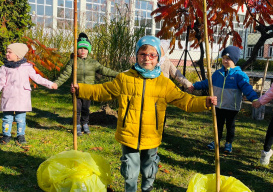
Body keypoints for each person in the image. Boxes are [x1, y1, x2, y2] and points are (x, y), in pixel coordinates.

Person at [71, 35, 217, 192]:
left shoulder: (164, 83)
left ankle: (147, 189)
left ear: (158, 58)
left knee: (149, 169)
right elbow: (103, 90)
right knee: (130, 170)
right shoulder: (124, 78)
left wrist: (205, 102)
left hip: (152, 135)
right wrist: (81, 89)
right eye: (143, 54)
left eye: (152, 55)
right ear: (136, 55)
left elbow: (185, 100)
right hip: (128, 133)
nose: (147, 58)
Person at [192, 45, 258, 153]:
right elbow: (207, 83)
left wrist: (254, 99)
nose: (225, 60)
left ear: (234, 60)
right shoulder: (218, 74)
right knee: (217, 125)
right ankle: (216, 141)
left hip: (232, 107)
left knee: (230, 126)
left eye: (228, 58)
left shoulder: (239, 75)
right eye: (223, 58)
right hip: (218, 105)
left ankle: (228, 143)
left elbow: (247, 88)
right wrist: (195, 85)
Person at [54, 32, 119, 136]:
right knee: (77, 108)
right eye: (80, 48)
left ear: (88, 50)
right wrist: (56, 84)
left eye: (85, 49)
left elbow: (104, 70)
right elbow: (65, 74)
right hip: (76, 89)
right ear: (76, 50)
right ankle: (77, 125)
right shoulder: (73, 62)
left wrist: (118, 75)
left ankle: (85, 123)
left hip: (88, 89)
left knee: (86, 108)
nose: (82, 51)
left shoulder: (93, 63)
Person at [0, 43, 57, 144]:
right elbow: (1, 81)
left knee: (20, 118)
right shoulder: (4, 68)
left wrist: (50, 84)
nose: (7, 54)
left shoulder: (27, 67)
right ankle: (6, 136)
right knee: (7, 118)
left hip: (22, 97)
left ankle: (20, 135)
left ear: (17, 55)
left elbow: (37, 78)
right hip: (8, 96)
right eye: (6, 52)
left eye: (9, 52)